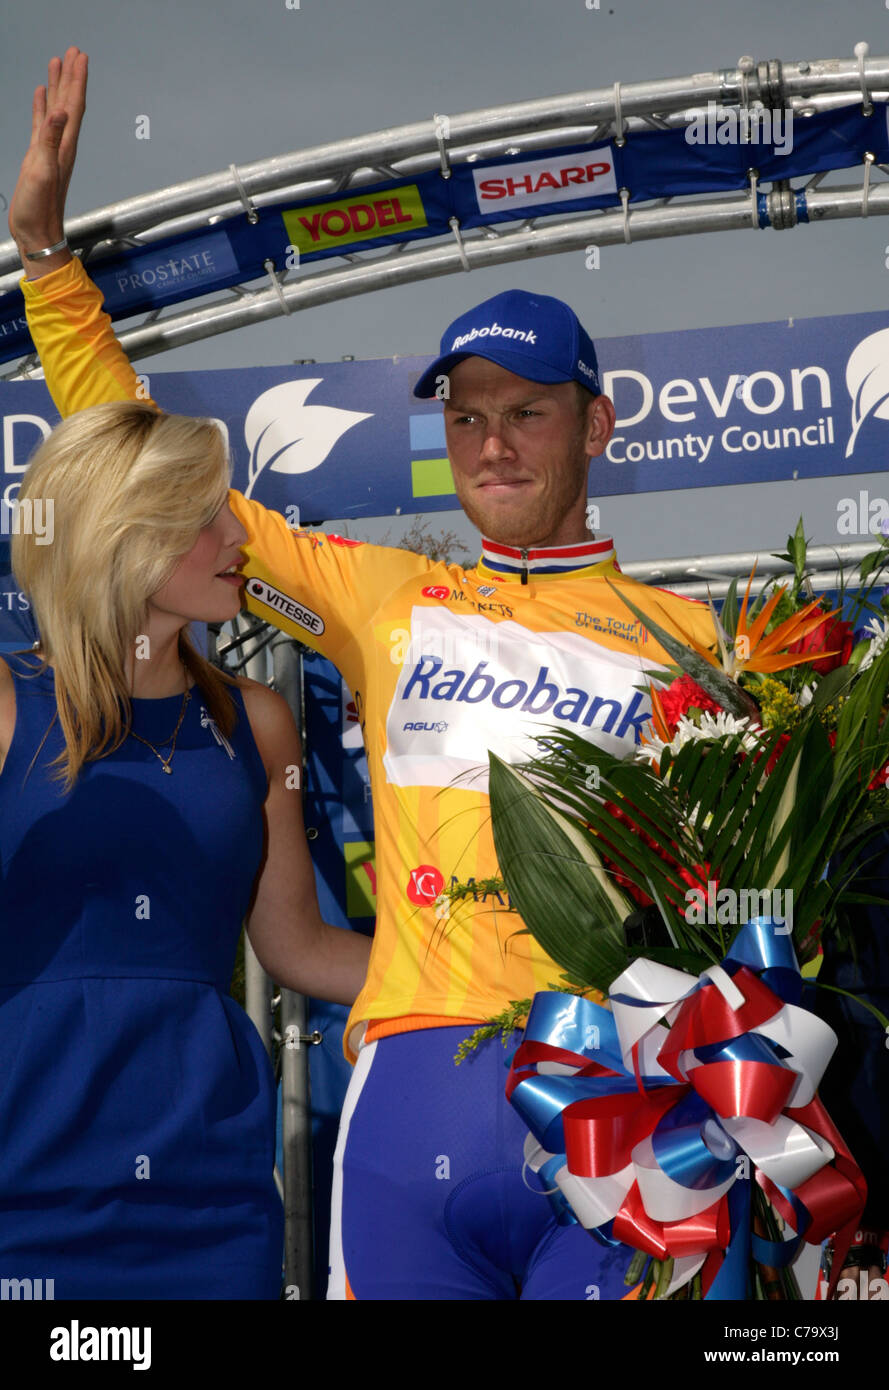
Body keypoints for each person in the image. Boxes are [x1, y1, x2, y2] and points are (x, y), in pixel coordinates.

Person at [10, 49, 733, 1301]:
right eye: (465, 414)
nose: (492, 441)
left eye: (527, 410)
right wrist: (49, 267)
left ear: (598, 423)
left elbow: (741, 893)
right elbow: (153, 488)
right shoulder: (380, 594)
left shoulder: (699, 640)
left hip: (612, 1087)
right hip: (412, 1095)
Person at [0, 396, 371, 1298]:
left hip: (214, 1191)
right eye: (205, 516)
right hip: (22, 1183)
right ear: (126, 536)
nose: (235, 534)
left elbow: (298, 947)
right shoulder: (8, 704)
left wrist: (504, 976)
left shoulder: (257, 721)